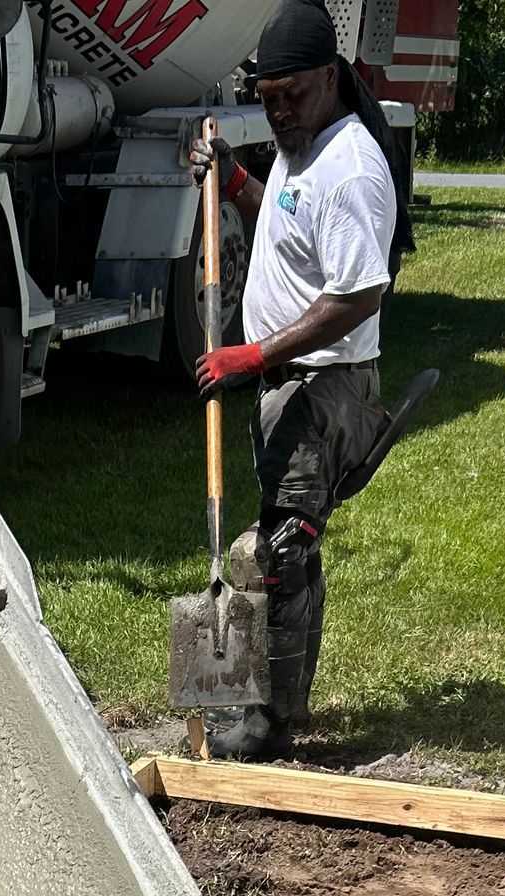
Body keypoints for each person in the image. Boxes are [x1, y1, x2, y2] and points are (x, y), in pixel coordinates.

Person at [191, 0, 404, 761]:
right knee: (292, 547)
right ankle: (275, 707)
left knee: (281, 552)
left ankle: (269, 725)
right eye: (266, 96)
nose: (277, 110)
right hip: (295, 382)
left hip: (327, 386)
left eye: (290, 95)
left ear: (329, 77)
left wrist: (250, 356)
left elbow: (355, 295)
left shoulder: (349, 169)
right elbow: (282, 224)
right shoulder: (301, 145)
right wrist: (237, 180)